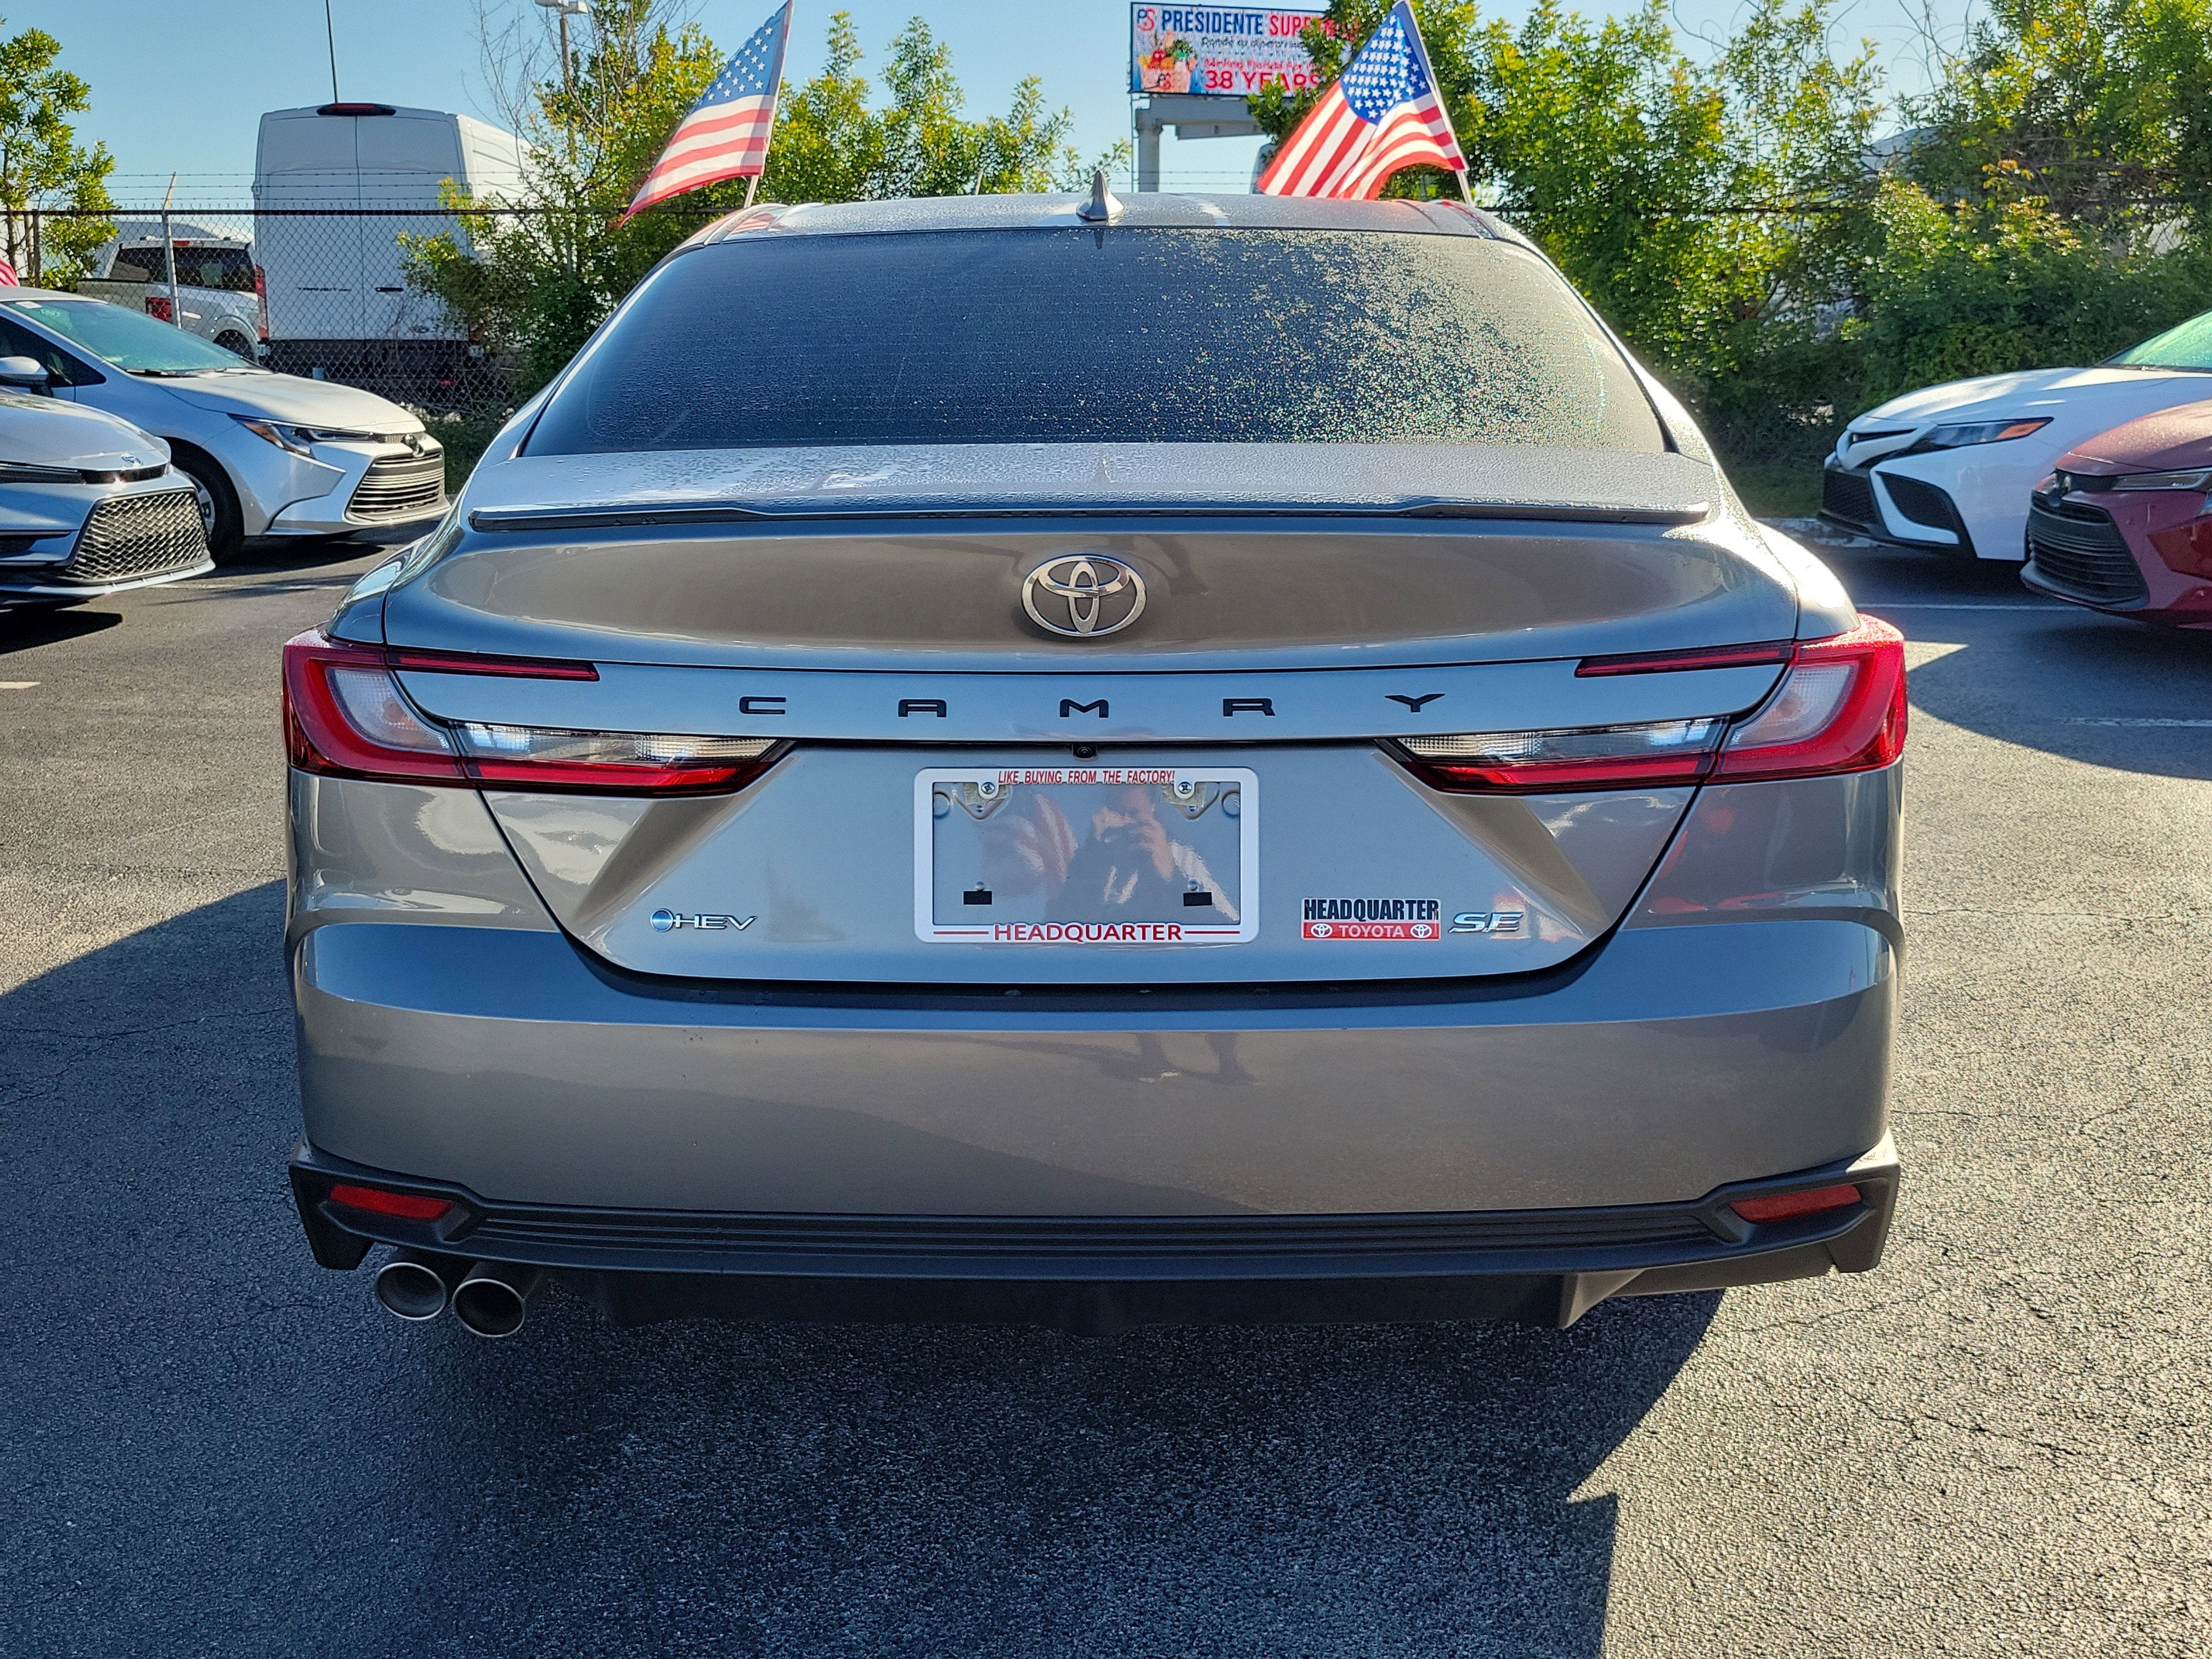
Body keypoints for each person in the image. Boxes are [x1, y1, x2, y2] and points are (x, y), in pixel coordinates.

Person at [1053, 784, 1237, 924]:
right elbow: (1059, 927)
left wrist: (1171, 875)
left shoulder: (1183, 859)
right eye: (1117, 813)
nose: (1125, 822)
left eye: (1134, 813)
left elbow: (1226, 928)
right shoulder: (1093, 863)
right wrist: (1094, 854)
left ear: (1152, 810)